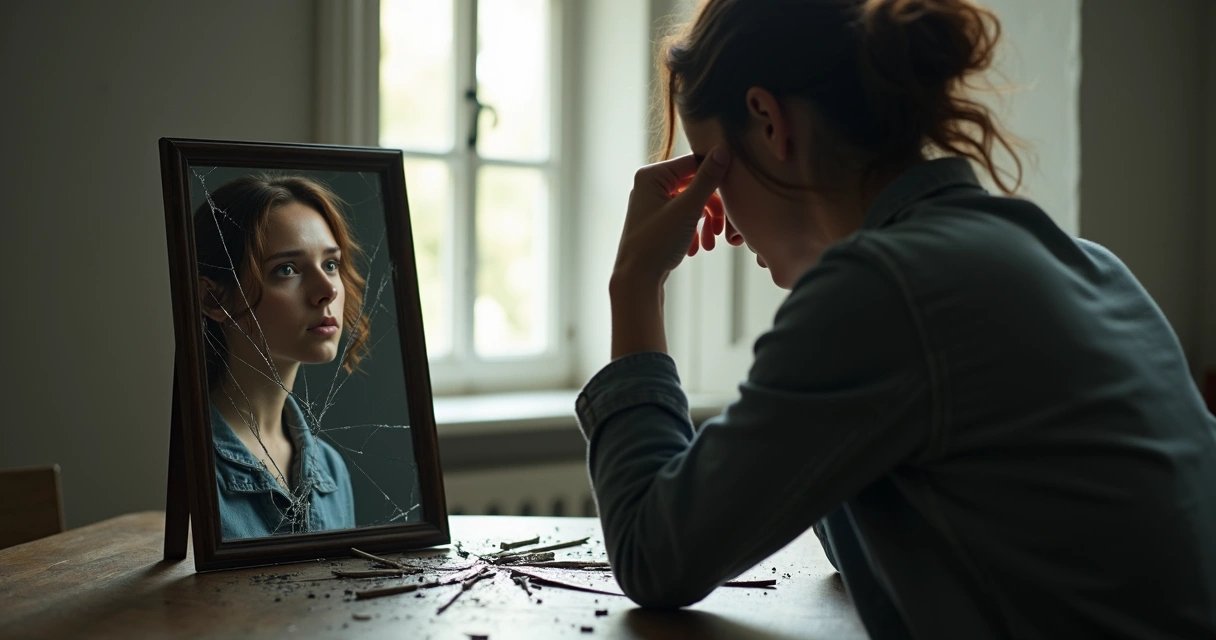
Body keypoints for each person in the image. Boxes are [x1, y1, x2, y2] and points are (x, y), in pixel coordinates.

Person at [574, 0, 1216, 637]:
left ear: (768, 121)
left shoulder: (885, 293)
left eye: (711, 169)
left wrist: (635, 283)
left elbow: (650, 553)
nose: (727, 225)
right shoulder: (1084, 263)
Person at [194, 173, 369, 538]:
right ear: (214, 299)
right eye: (286, 270)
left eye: (331, 264)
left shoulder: (331, 472)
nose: (327, 292)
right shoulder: (191, 477)